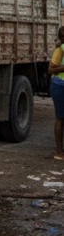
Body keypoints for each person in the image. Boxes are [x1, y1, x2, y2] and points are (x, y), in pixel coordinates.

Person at [49, 27, 64, 160]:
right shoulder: (60, 50)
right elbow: (50, 69)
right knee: (60, 118)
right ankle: (59, 152)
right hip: (59, 85)